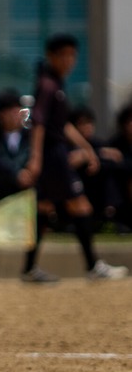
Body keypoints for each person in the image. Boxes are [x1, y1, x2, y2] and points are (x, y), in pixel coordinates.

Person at [20, 34, 126, 282]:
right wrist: (35, 157)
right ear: (51, 56)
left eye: (72, 55)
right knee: (81, 206)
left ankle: (28, 268)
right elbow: (39, 123)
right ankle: (92, 266)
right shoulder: (48, 85)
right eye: (64, 55)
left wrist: (86, 147)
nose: (69, 60)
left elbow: (62, 125)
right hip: (53, 155)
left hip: (53, 153)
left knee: (44, 209)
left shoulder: (55, 84)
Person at [68, 105, 126, 232]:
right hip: (77, 188)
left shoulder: (97, 144)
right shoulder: (67, 145)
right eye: (82, 124)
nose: (87, 127)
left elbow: (117, 159)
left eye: (89, 123)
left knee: (109, 175)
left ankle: (110, 214)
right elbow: (68, 162)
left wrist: (92, 156)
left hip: (98, 189)